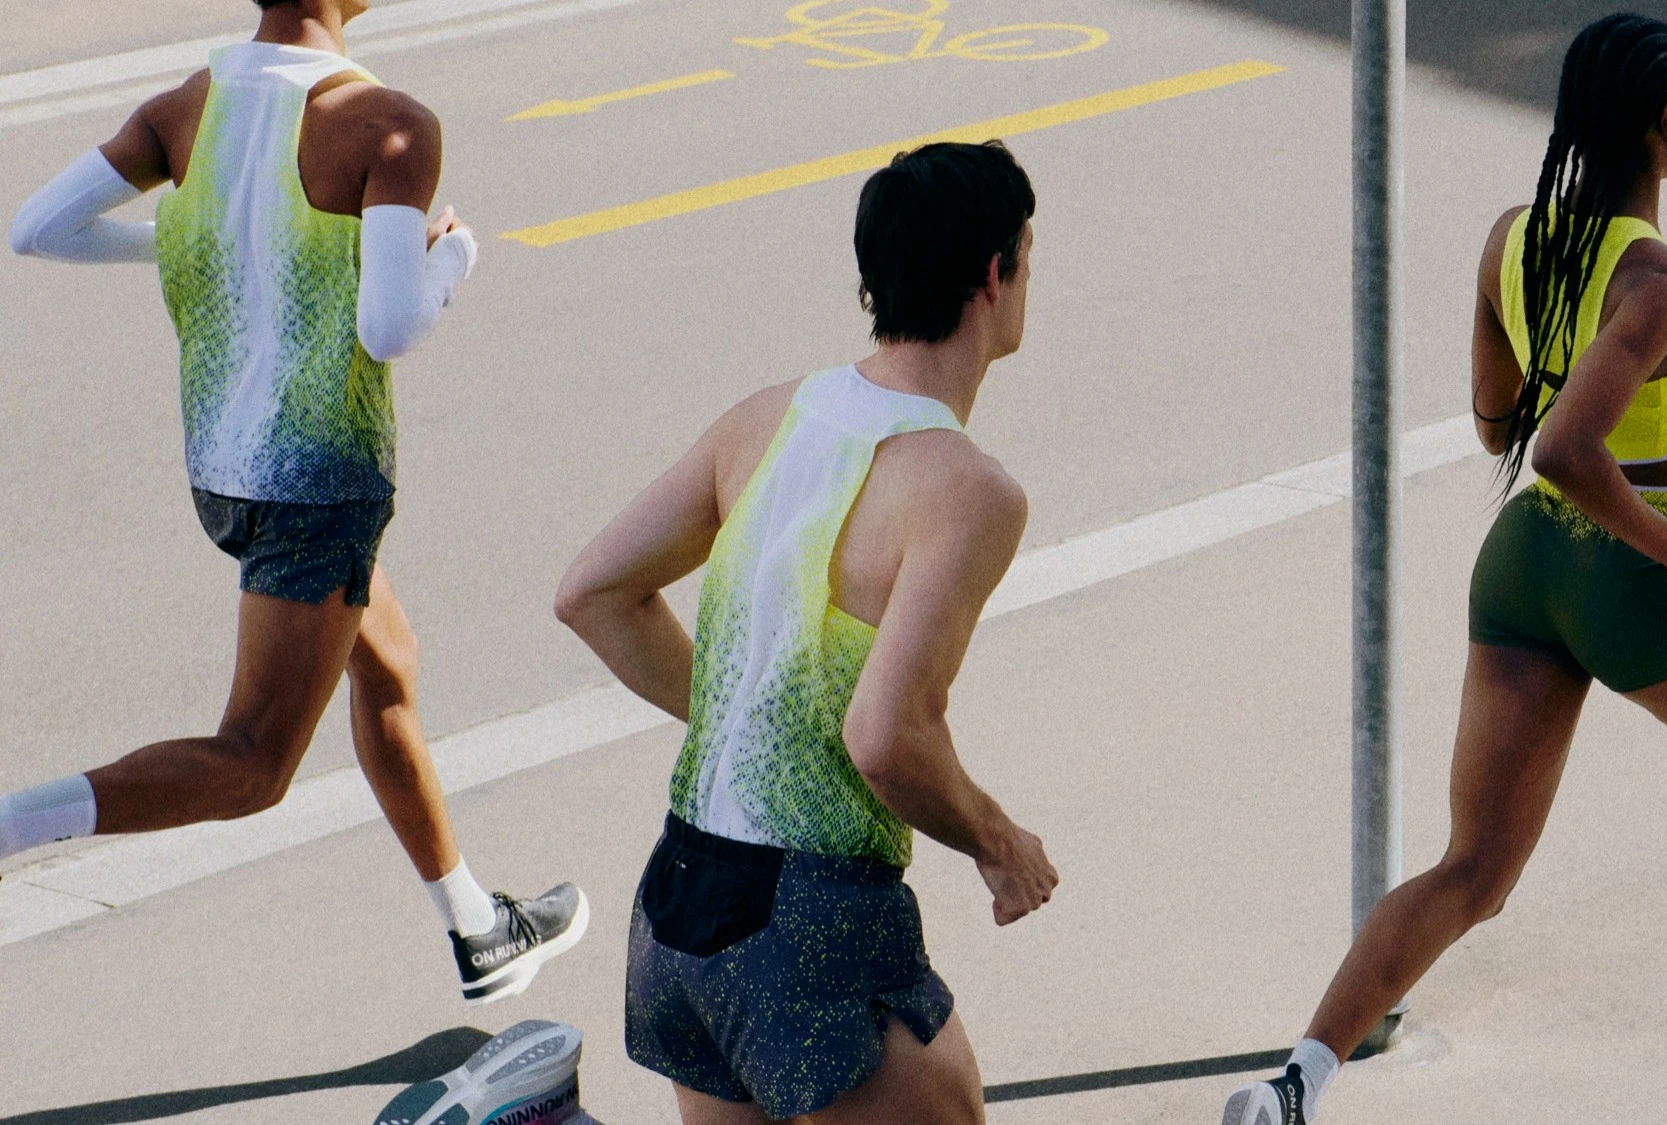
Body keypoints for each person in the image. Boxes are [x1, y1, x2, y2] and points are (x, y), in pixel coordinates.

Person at [1223, 13, 1667, 1125]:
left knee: (1472, 870)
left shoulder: (1516, 239)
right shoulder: (1660, 283)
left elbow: (1497, 424)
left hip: (1522, 566)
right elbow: (1565, 445)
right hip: (1633, 573)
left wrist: (1650, 319)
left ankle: (1292, 1085)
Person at [4, 0, 585, 1005]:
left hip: (225, 476)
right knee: (254, 763)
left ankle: (477, 928)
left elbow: (39, 229)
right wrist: (454, 258)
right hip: (318, 491)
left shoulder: (189, 105)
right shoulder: (389, 125)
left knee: (388, 666)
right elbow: (392, 326)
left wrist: (209, 236)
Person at [555, 139, 1058, 1124]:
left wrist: (745, 717)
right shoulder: (967, 490)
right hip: (805, 929)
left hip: (677, 908)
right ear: (995, 275)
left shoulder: (764, 419)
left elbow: (593, 592)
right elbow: (886, 736)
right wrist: (998, 842)